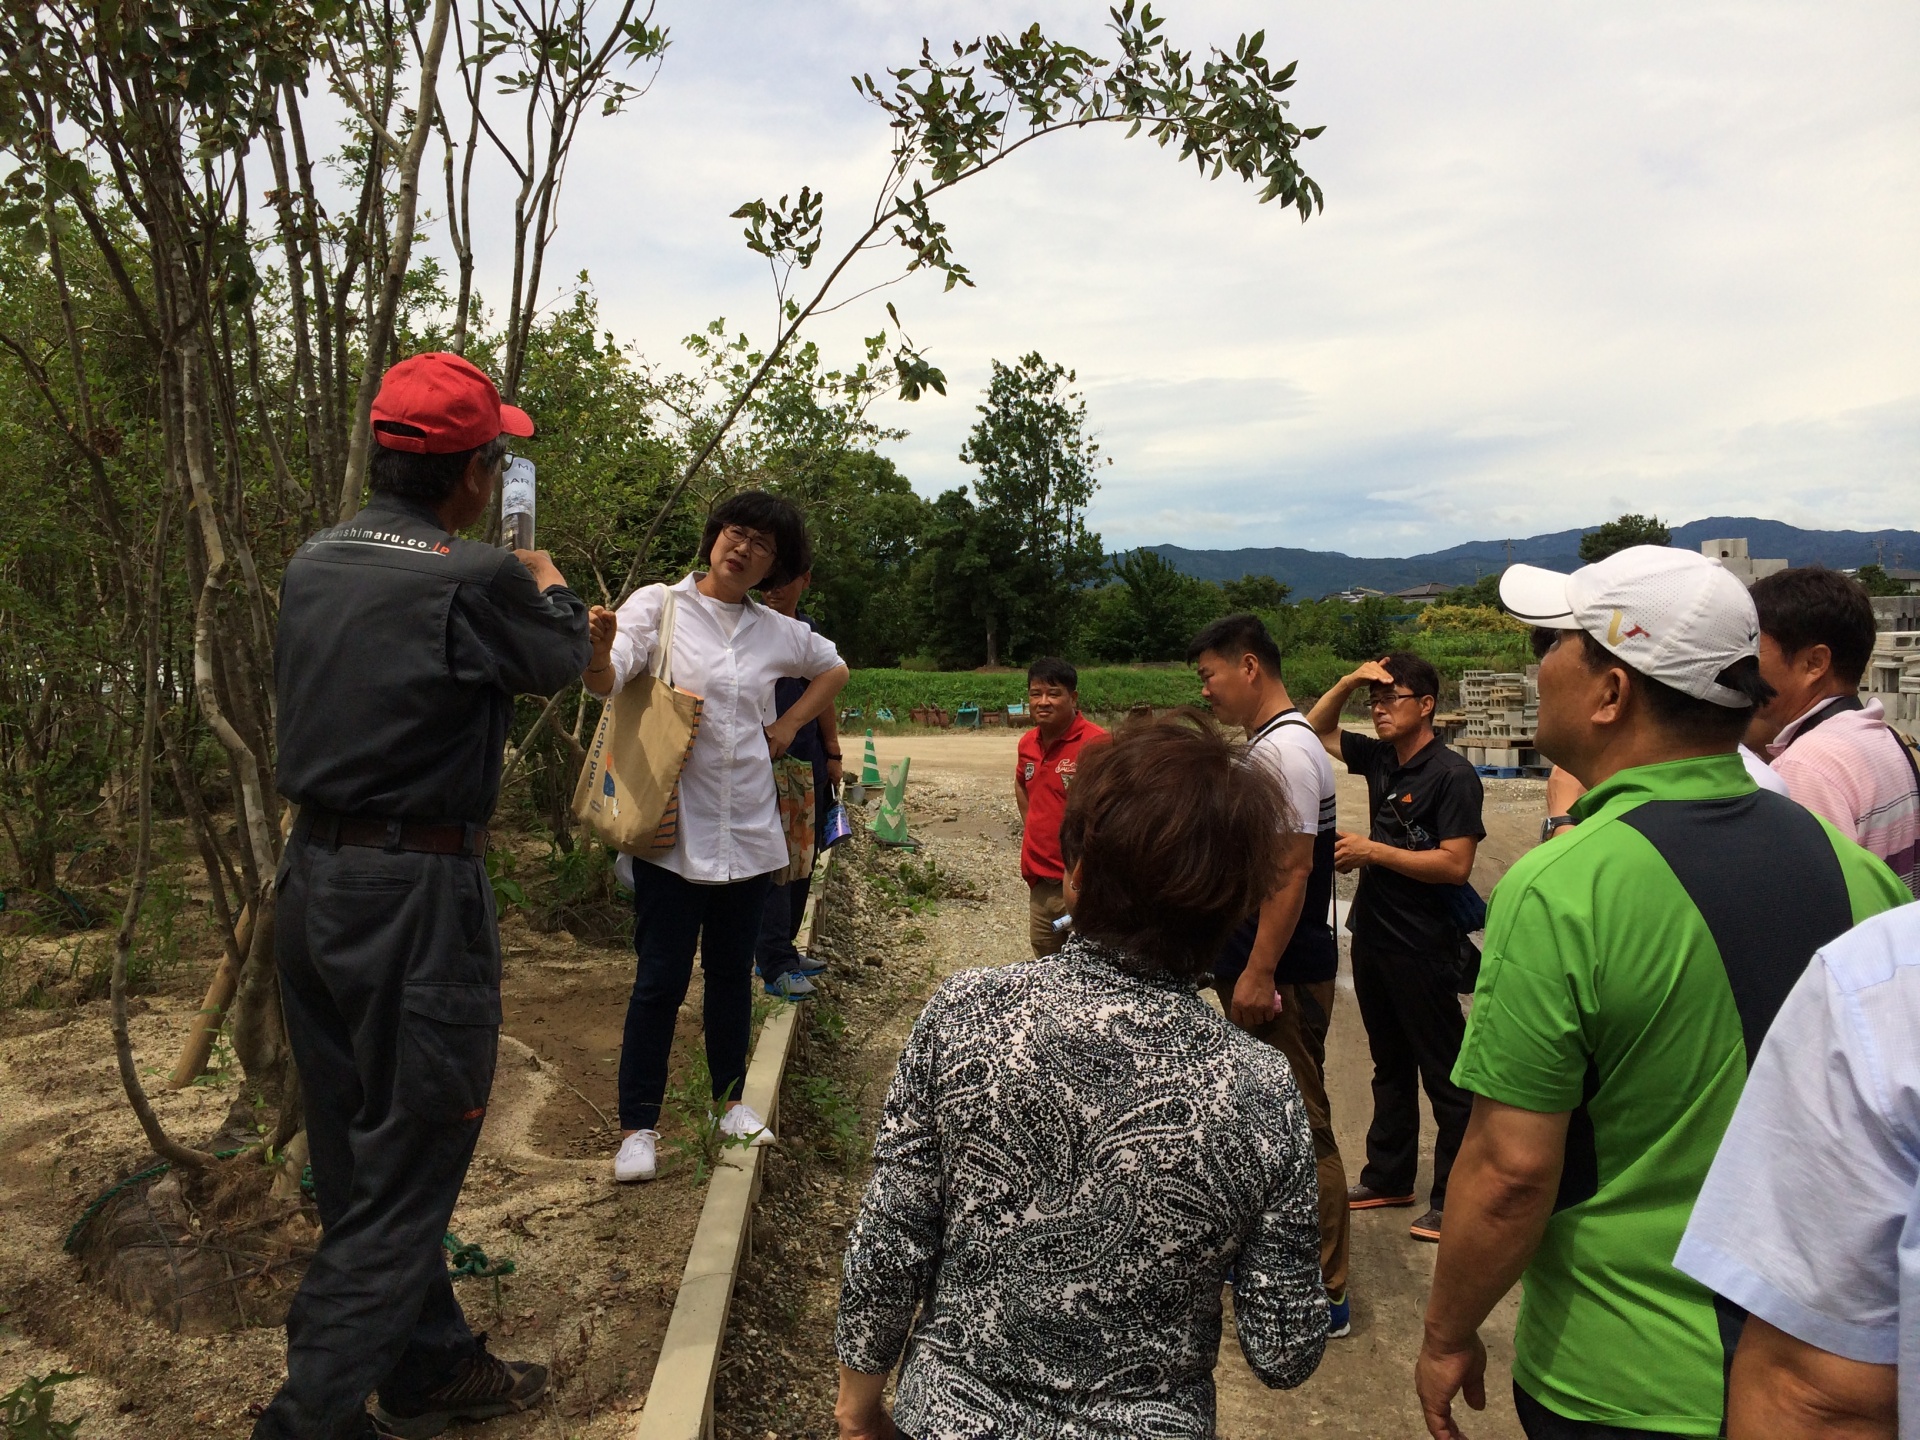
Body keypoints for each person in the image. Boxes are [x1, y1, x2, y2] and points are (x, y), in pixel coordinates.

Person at [1416, 546, 1909, 1440]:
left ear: (1611, 694)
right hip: (1811, 1378)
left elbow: (1511, 1172)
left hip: (1621, 1375)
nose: (1537, 672)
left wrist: (1447, 1334)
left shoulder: (1564, 888)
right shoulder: (1861, 878)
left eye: (1554, 646)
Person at [835, 714, 1327, 1440]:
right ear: (1235, 905)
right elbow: (1284, 1352)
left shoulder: (966, 1013)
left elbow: (894, 1236)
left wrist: (856, 1410)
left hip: (950, 1418)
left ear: (1076, 875)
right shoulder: (1261, 1087)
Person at [263, 351, 590, 1439]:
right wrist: (544, 573)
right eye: (493, 458)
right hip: (413, 897)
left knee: (359, 1155)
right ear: (474, 473)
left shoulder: (316, 559)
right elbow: (557, 663)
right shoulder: (472, 575)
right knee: (409, 1168)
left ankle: (429, 1364)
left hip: (311, 883)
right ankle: (309, 1418)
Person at [585, 491, 849, 1184]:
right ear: (714, 536)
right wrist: (598, 654)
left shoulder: (775, 630)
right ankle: (638, 1127)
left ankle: (730, 1104)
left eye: (763, 545)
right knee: (659, 980)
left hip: (750, 836)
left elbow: (834, 668)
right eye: (737, 532)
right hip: (673, 835)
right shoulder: (660, 606)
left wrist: (791, 729)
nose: (745, 549)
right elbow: (611, 677)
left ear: (774, 566)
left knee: (732, 977)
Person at [1675, 901, 1916, 1440]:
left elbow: (1816, 1397)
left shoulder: (1886, 975)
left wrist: (1450, 1337)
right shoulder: (1869, 899)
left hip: (1629, 1348)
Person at [1188, 613, 1352, 1337]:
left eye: (1209, 675)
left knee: (1302, 1128)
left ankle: (1326, 1291)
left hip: (1279, 974)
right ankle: (1275, 1260)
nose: (1207, 689)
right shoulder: (1278, 744)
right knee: (1267, 1122)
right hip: (1262, 965)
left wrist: (1257, 971)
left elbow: (1290, 872)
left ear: (1248, 666)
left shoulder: (1284, 752)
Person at [1306, 651, 1484, 1243]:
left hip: (1425, 943)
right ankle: (1388, 1174)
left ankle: (1454, 1197)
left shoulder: (1452, 774)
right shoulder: (1382, 757)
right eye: (1375, 702)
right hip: (1376, 935)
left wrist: (1374, 852)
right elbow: (1318, 729)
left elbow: (1456, 865)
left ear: (1426, 705)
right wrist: (1351, 678)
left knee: (1445, 1072)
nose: (1379, 711)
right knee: (1389, 1065)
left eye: (1392, 700)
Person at [1749, 566, 1920, 897]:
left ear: (1815, 663)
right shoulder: (1886, 739)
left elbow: (1816, 906)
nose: (1740, 666)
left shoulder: (1804, 769)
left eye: (1753, 652)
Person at [753, 567, 844, 1000]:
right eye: (767, 579)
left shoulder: (808, 631)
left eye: (784, 578)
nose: (774, 587)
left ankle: (783, 947)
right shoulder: (750, 625)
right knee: (774, 861)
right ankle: (774, 963)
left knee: (801, 858)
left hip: (805, 759)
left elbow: (824, 691)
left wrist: (833, 752)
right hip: (761, 762)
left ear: (805, 579)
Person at [1013, 657, 1108, 956]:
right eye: (1035, 694)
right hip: (1041, 886)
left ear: (1073, 698)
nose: (1043, 702)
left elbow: (1114, 811)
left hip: (1084, 887)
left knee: (1089, 965)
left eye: (1053, 693)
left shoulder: (1098, 744)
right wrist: (1033, 829)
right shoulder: (1027, 744)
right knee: (1046, 959)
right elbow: (1021, 783)